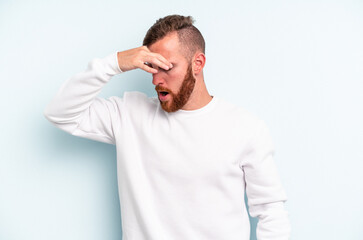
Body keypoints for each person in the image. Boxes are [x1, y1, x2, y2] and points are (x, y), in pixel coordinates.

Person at [44, 14, 291, 240]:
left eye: (166, 67)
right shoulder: (129, 114)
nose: (155, 79)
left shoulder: (245, 128)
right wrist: (115, 63)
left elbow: (271, 211)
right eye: (151, 67)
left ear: (198, 63)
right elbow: (60, 113)